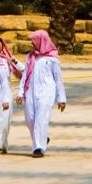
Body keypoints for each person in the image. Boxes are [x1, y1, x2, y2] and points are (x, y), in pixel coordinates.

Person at [16, 30, 66, 158]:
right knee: (30, 119)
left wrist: (62, 98)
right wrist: (20, 93)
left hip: (46, 92)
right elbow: (25, 75)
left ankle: (38, 148)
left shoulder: (52, 59)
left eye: (34, 40)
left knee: (41, 119)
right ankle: (43, 138)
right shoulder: (30, 57)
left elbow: (58, 79)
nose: (32, 43)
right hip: (30, 92)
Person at [0, 35, 22, 154]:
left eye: (0, 43)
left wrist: (13, 61)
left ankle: (1, 146)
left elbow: (22, 71)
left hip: (6, 92)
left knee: (5, 119)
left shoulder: (7, 58)